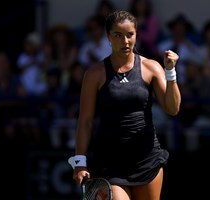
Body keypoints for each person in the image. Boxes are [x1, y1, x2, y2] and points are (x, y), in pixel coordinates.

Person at [69, 10, 181, 200]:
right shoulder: (94, 74)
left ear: (136, 35)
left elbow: (172, 109)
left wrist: (170, 72)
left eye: (130, 35)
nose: (125, 41)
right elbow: (86, 121)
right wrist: (80, 162)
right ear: (108, 37)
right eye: (118, 35)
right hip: (110, 163)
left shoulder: (152, 67)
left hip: (147, 160)